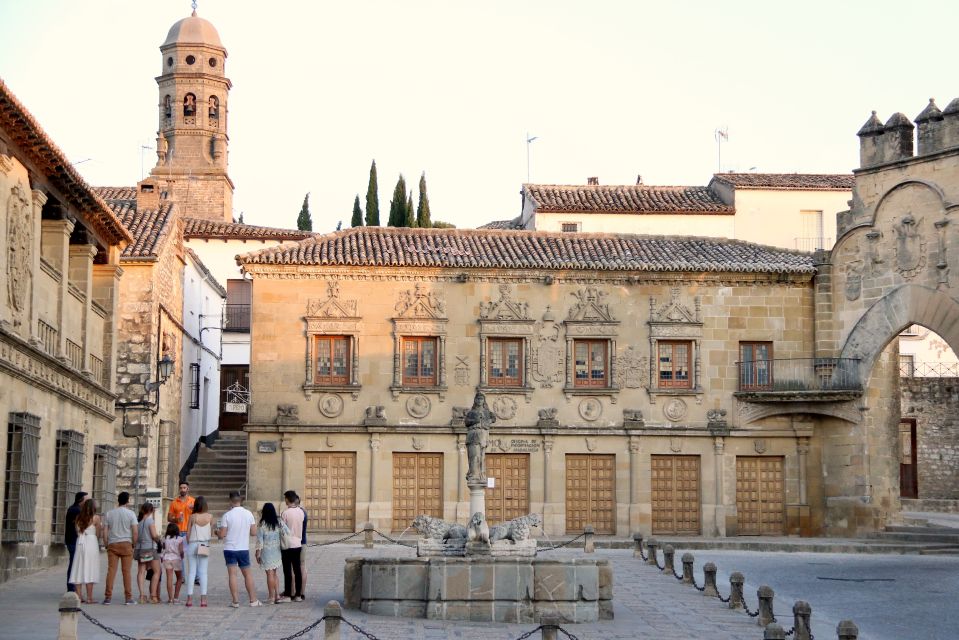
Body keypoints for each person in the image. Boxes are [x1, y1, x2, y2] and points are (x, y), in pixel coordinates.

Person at [217, 491, 260, 607]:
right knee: (248, 574)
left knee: (232, 575)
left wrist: (217, 532)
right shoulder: (249, 514)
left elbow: (222, 535)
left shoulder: (227, 515)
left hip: (230, 548)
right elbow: (254, 532)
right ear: (241, 500)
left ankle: (235, 601)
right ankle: (253, 600)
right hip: (243, 548)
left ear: (230, 501)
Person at [101, 491, 138, 605]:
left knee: (111, 571)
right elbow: (135, 531)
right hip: (126, 543)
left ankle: (108, 597)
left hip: (113, 543)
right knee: (126, 572)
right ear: (128, 501)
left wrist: (106, 543)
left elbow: (105, 530)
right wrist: (134, 544)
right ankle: (128, 597)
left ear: (118, 500)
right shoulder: (131, 514)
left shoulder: (109, 513)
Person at [255, 503, 289, 605]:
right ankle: (277, 595)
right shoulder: (278, 521)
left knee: (269, 574)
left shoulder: (262, 524)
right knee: (274, 573)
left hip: (266, 551)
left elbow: (260, 541)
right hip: (277, 550)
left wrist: (257, 553)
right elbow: (287, 531)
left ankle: (271, 597)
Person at [184, 495, 213, 607]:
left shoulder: (192, 517)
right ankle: (203, 599)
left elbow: (187, 534)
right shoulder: (210, 517)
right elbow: (210, 533)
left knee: (192, 572)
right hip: (204, 544)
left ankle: (189, 599)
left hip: (192, 543)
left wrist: (190, 543)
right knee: (203, 572)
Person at [69, 499, 100, 604]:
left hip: (80, 542)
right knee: (90, 568)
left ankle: (79, 596)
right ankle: (89, 598)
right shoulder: (95, 518)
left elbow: (77, 531)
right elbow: (98, 532)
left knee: (78, 567)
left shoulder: (78, 518)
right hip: (91, 542)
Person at [279, 490, 305, 602]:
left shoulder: (285, 513)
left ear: (287, 500)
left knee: (287, 570)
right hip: (298, 543)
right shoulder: (301, 512)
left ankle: (288, 594)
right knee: (297, 569)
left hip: (287, 544)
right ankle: (298, 594)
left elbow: (282, 529)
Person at [134, 503, 160, 604]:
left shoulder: (139, 522)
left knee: (141, 571)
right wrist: (159, 540)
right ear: (151, 510)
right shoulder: (150, 521)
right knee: (157, 571)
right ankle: (153, 595)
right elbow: (154, 535)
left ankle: (141, 595)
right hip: (150, 548)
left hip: (140, 549)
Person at [65, 491, 88, 593]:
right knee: (74, 564)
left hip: (72, 540)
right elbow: (79, 527)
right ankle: (71, 588)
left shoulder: (74, 509)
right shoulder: (76, 510)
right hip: (74, 541)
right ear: (81, 500)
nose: (87, 502)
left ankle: (72, 587)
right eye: (86, 500)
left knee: (74, 563)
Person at [160, 523, 185, 603]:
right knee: (179, 578)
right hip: (176, 559)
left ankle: (170, 598)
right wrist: (182, 556)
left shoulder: (164, 538)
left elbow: (163, 549)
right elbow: (181, 551)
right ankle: (176, 597)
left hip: (167, 558)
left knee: (169, 579)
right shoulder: (180, 539)